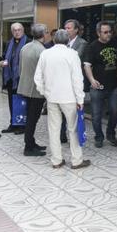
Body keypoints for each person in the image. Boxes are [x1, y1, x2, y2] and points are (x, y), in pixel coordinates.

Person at [34, 29, 90, 170]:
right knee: (73, 130)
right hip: (69, 98)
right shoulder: (72, 54)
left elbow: (37, 77)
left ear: (54, 40)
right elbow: (77, 79)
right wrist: (80, 99)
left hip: (52, 98)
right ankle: (76, 161)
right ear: (67, 40)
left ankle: (56, 160)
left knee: (54, 129)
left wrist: (44, 92)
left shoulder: (45, 53)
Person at [83, 21, 117, 148]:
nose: (108, 34)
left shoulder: (116, 44)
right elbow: (87, 65)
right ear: (98, 33)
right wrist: (92, 80)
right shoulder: (92, 47)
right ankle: (99, 137)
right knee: (96, 114)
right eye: (105, 32)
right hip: (98, 87)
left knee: (115, 112)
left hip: (114, 85)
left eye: (110, 32)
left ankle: (110, 134)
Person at [17, 23, 50, 156]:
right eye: (46, 32)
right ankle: (28, 147)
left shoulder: (25, 47)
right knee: (32, 119)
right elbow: (44, 73)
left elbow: (20, 68)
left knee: (30, 117)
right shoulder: (42, 51)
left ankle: (31, 142)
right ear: (43, 34)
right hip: (36, 90)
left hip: (25, 86)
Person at [2, 23, 28, 134]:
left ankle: (22, 125)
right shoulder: (9, 43)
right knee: (12, 102)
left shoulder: (28, 42)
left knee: (22, 102)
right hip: (11, 78)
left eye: (19, 30)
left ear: (23, 30)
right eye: (14, 30)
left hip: (22, 78)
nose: (17, 32)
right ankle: (13, 124)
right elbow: (5, 56)